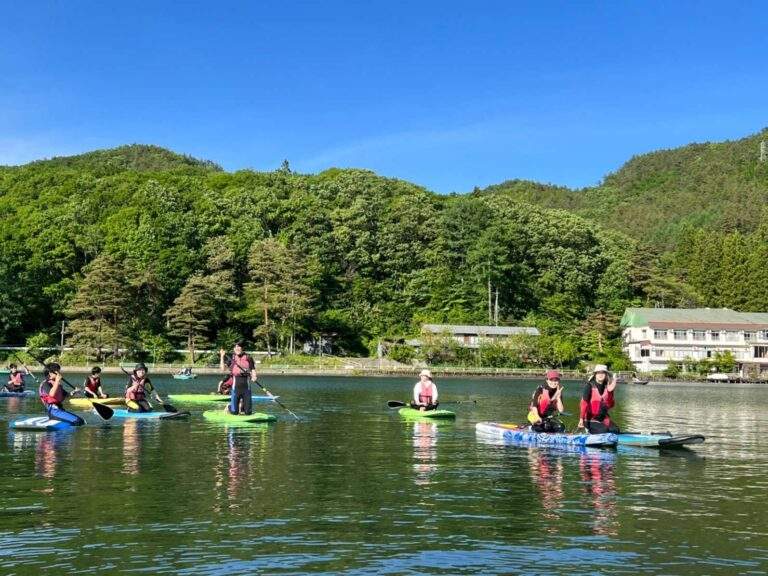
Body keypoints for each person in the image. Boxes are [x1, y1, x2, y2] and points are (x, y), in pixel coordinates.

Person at [578, 364, 620, 433]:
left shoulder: (608, 386)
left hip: (602, 418)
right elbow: (584, 403)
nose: (600, 374)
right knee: (603, 430)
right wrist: (581, 419)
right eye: (598, 373)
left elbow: (610, 405)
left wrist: (610, 392)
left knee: (615, 430)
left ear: (606, 374)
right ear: (595, 374)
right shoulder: (589, 386)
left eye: (602, 372)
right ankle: (588, 430)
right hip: (589, 419)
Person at [219, 342, 257, 415]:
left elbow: (252, 369)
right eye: (235, 347)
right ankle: (229, 406)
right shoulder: (231, 358)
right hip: (235, 387)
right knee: (234, 412)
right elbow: (222, 369)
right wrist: (222, 357)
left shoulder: (248, 357)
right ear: (234, 349)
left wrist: (254, 376)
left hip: (246, 387)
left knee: (248, 412)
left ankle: (244, 409)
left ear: (242, 348)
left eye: (239, 347)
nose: (237, 348)